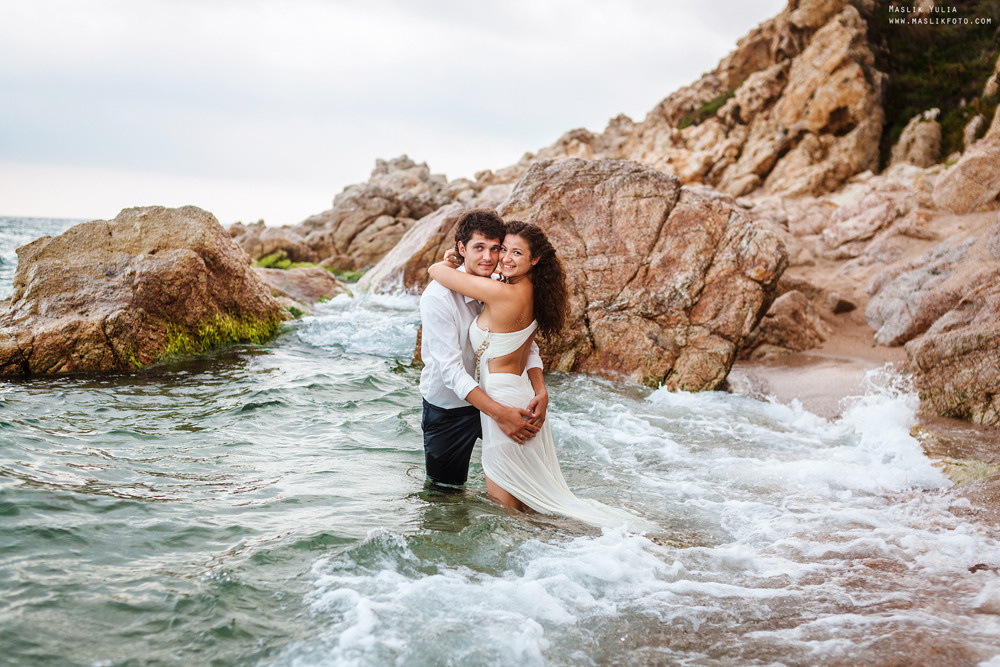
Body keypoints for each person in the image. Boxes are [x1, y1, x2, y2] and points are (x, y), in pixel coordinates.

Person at [428, 221, 652, 530]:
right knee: (524, 500)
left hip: (502, 402)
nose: (502, 258)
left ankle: (516, 563)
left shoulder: (498, 291)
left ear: (535, 260)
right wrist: (541, 388)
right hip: (516, 393)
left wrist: (446, 261)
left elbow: (437, 273)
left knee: (505, 508)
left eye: (513, 251)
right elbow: (524, 342)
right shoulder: (523, 289)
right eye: (501, 249)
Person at [419, 209, 550, 488]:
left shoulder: (499, 284)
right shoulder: (438, 297)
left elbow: (522, 341)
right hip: (450, 409)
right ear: (461, 249)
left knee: (526, 484)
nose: (489, 258)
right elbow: (451, 371)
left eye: (495, 248)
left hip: (498, 396)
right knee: (445, 493)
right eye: (479, 248)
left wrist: (541, 389)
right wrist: (499, 414)